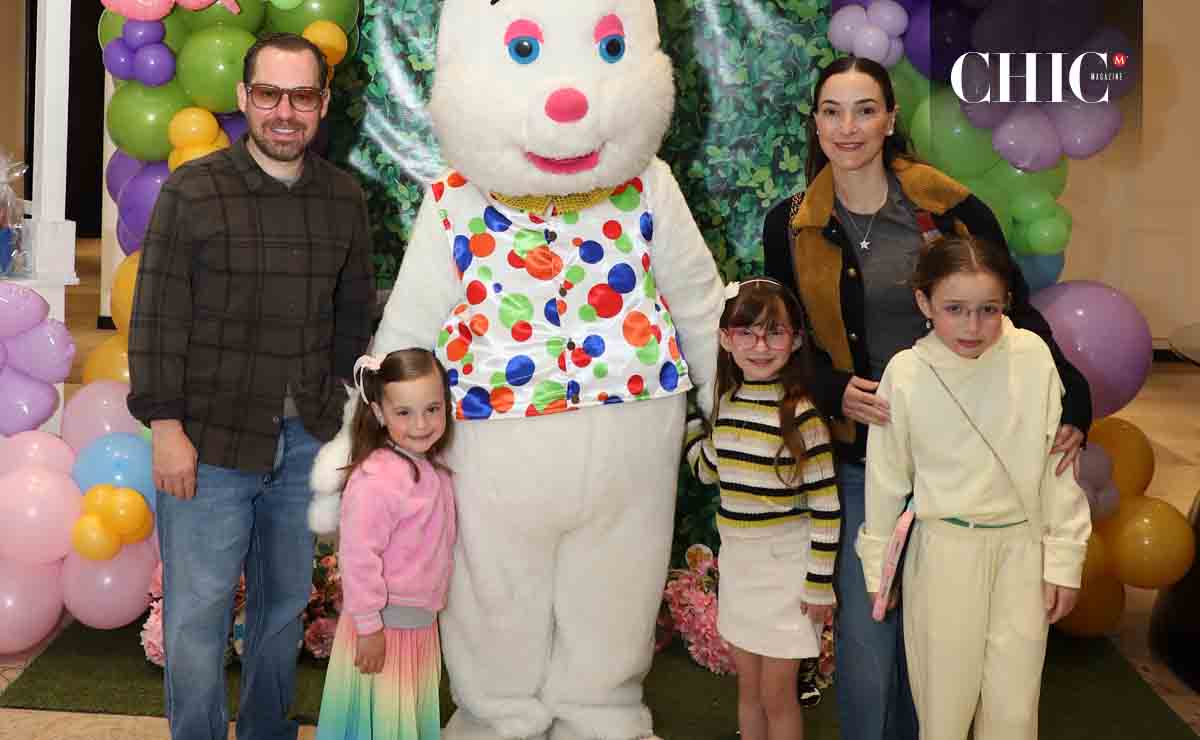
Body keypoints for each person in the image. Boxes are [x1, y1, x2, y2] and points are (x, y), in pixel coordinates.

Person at [761, 55, 1092, 740]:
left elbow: (1018, 313)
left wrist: (1075, 401)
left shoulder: (950, 207)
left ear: (889, 120)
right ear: (815, 124)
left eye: (864, 110)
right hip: (863, 453)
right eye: (832, 111)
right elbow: (786, 336)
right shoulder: (790, 225)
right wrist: (829, 388)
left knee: (957, 649)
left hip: (963, 456)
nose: (847, 127)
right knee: (871, 645)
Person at [126, 33, 375, 740]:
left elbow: (354, 322)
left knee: (284, 608)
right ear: (244, 98)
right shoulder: (193, 190)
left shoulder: (343, 199)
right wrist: (166, 430)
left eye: (301, 96)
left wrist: (345, 432)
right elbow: (157, 318)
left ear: (322, 104)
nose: (284, 112)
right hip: (208, 443)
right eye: (269, 94)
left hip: (306, 447)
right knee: (197, 614)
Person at [858, 235, 1090, 740]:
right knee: (944, 706)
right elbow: (885, 478)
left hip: (1022, 552)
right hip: (944, 553)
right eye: (955, 309)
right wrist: (881, 568)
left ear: (1007, 302)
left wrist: (1064, 558)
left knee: (1014, 709)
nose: (972, 326)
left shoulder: (1031, 356)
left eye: (987, 309)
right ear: (924, 302)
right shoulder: (906, 372)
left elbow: (1059, 465)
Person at [685, 278, 840, 740]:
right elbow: (710, 469)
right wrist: (690, 424)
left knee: (777, 694)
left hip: (787, 573)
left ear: (794, 341)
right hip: (740, 568)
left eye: (774, 332)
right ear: (725, 339)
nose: (759, 345)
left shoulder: (802, 414)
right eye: (746, 332)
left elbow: (826, 509)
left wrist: (818, 585)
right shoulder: (728, 404)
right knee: (748, 690)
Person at [316, 349, 456, 740]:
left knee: (401, 724)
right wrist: (369, 627)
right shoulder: (378, 477)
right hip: (383, 629)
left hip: (417, 627)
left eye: (433, 409)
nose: (421, 424)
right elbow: (359, 558)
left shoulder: (429, 466)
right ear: (379, 413)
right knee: (378, 726)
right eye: (404, 413)